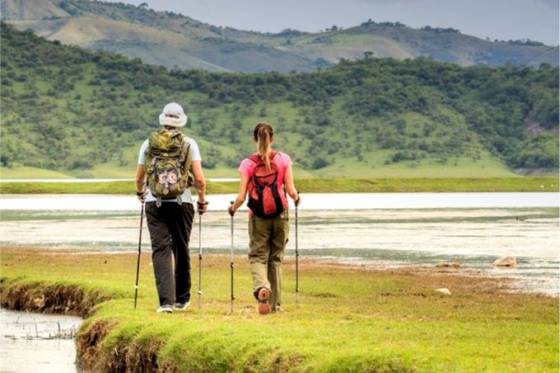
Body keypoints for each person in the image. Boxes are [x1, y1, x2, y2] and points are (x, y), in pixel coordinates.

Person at [135, 102, 208, 314]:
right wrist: (202, 200)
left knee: (160, 250)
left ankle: (166, 303)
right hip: (182, 202)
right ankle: (182, 299)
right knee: (181, 247)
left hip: (154, 203)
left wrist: (141, 193)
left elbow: (139, 178)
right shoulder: (189, 144)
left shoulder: (148, 144)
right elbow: (200, 180)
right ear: (180, 122)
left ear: (163, 120)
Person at [228, 122, 300, 314]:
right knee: (275, 258)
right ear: (272, 138)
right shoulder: (284, 159)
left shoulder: (248, 164)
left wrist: (232, 208)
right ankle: (275, 305)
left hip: (258, 216)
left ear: (255, 139)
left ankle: (262, 287)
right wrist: (297, 198)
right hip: (281, 213)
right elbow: (291, 191)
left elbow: (242, 197)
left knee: (258, 256)